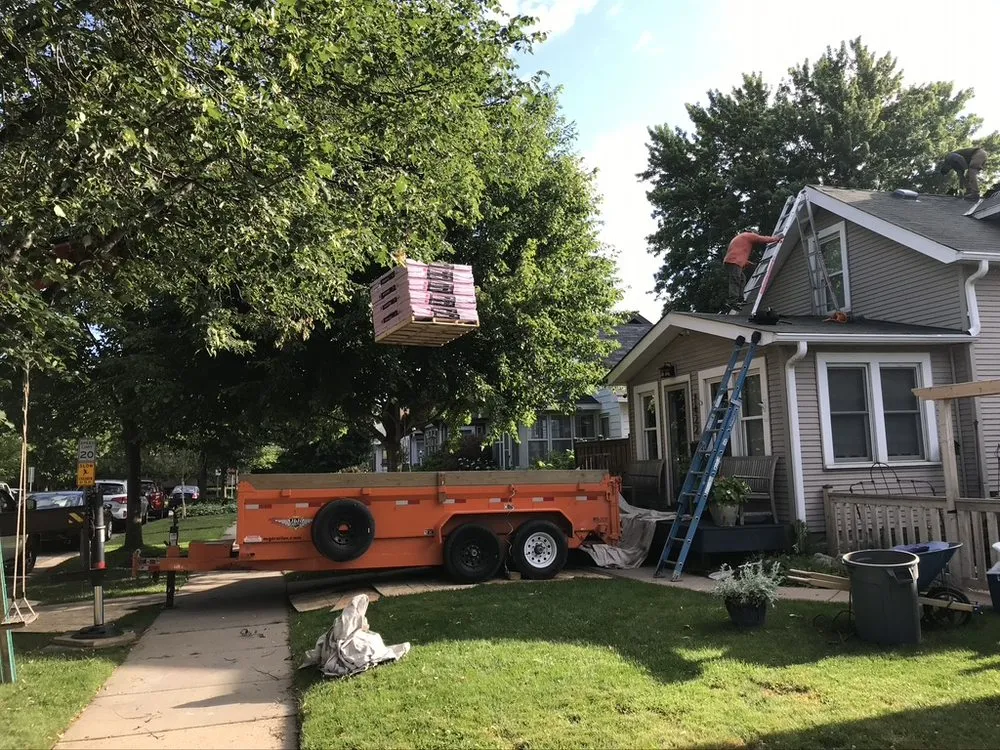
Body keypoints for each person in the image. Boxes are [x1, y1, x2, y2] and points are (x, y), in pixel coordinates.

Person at [723, 230, 783, 312]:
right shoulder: (749, 235)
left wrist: (750, 264)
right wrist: (776, 238)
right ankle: (733, 301)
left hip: (731, 260)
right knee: (736, 280)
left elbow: (738, 253)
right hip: (734, 261)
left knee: (742, 279)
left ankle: (740, 299)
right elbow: (762, 239)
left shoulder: (741, 238)